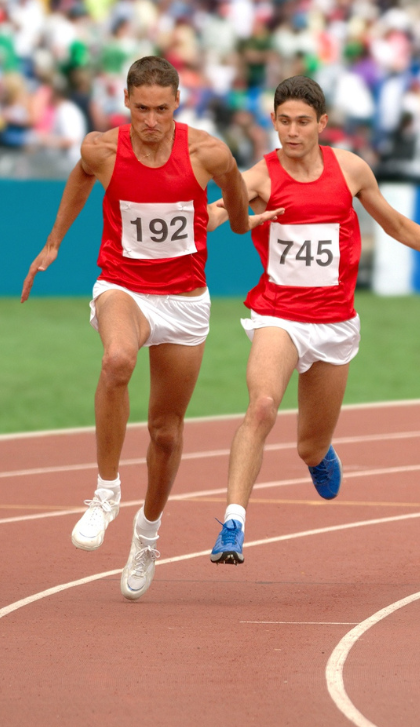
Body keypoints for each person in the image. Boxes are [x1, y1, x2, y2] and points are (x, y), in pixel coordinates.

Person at [208, 76, 420, 565]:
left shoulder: (351, 169)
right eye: (283, 122)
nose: (292, 132)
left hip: (334, 323)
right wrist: (219, 215)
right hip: (279, 314)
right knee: (262, 405)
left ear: (322, 124)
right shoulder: (261, 176)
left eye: (302, 122)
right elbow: (215, 211)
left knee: (309, 444)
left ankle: (319, 454)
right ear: (271, 121)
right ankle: (233, 523)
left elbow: (398, 226)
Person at [21, 55, 256, 600]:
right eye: (143, 109)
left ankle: (147, 534)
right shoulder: (101, 149)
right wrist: (55, 241)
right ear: (127, 102)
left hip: (184, 300)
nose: (152, 121)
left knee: (166, 433)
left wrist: (242, 221)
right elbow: (80, 179)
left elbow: (234, 187)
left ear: (179, 105)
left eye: (163, 110)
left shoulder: (208, 151)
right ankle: (105, 491)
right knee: (118, 359)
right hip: (122, 286)